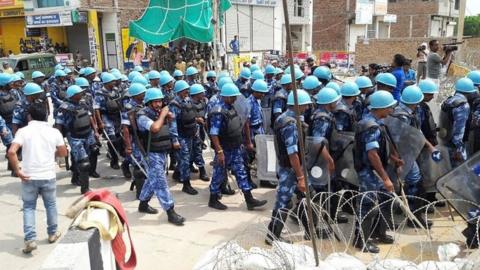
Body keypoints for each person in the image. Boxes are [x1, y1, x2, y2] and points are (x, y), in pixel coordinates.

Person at [7, 102, 68, 254]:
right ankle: (52, 233)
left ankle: (30, 239)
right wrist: (51, 154)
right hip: (48, 175)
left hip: (29, 176)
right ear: (46, 116)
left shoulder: (23, 131)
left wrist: (18, 170)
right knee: (51, 205)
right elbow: (63, 153)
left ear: (29, 116)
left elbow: (11, 152)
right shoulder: (54, 132)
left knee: (28, 207)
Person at [353, 90, 403, 253]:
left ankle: (378, 232)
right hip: (370, 172)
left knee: (386, 200)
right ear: (380, 108)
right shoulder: (371, 126)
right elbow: (372, 154)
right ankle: (361, 241)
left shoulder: (372, 121)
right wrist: (385, 178)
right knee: (367, 206)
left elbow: (380, 148)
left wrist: (394, 159)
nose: (391, 110)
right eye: (389, 107)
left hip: (375, 170)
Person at [208, 83, 267, 210]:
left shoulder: (231, 107)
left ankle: (249, 199)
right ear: (226, 97)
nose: (235, 99)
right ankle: (213, 199)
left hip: (235, 148)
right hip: (224, 149)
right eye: (233, 97)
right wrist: (219, 151)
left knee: (241, 172)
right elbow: (213, 133)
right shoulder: (218, 112)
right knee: (219, 174)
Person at [265, 89, 311, 245]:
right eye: (305, 105)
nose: (306, 108)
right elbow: (293, 153)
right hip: (291, 168)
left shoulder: (283, 118)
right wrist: (300, 177)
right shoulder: (291, 124)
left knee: (303, 197)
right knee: (283, 201)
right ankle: (273, 236)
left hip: (287, 166)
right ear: (298, 105)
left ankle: (310, 231)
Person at [135, 87, 186, 225]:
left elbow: (168, 125)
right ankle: (170, 212)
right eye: (155, 102)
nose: (159, 104)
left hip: (161, 150)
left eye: (160, 101)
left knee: (153, 178)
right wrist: (163, 115)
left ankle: (143, 204)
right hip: (150, 153)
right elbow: (155, 128)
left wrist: (169, 117)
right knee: (161, 182)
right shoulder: (142, 116)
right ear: (149, 103)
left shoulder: (158, 113)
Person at [55, 85, 98, 194]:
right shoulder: (64, 108)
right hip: (74, 137)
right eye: (79, 93)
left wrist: (95, 131)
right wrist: (61, 142)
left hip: (88, 134)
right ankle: (85, 188)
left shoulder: (83, 103)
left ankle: (75, 176)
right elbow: (59, 125)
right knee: (84, 163)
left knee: (91, 153)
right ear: (73, 95)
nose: (82, 94)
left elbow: (90, 117)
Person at [170, 80, 199, 195]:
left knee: (187, 157)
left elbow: (191, 116)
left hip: (189, 133)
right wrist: (175, 140)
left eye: (187, 90)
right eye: (185, 90)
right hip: (181, 136)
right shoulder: (174, 104)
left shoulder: (187, 100)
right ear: (179, 91)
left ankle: (177, 173)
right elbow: (172, 123)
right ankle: (186, 184)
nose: (187, 92)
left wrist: (195, 130)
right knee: (185, 159)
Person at [439, 78, 474, 168]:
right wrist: (459, 150)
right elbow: (459, 129)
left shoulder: (449, 100)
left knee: (446, 167)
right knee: (459, 170)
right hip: (454, 145)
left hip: (444, 139)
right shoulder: (463, 105)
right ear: (469, 92)